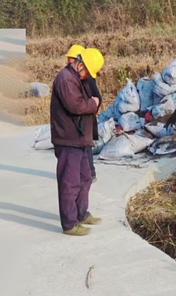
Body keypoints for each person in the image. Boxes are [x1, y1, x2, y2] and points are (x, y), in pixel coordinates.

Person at [51, 46, 105, 236]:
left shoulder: (78, 78)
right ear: (80, 64)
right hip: (68, 138)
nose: (88, 76)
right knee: (70, 182)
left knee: (85, 178)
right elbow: (76, 105)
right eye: (88, 72)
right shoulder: (65, 79)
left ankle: (81, 214)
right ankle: (69, 224)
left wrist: (94, 101)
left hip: (80, 137)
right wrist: (93, 104)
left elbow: (94, 97)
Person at [66, 45, 102, 182]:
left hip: (85, 119)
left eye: (72, 62)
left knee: (85, 147)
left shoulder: (87, 79)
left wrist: (89, 111)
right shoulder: (75, 78)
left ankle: (90, 174)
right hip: (79, 119)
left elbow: (98, 98)